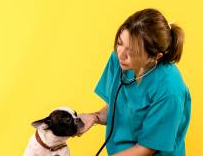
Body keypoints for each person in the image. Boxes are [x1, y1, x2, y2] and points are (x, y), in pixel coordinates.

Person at [77, 8, 191, 156]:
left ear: (156, 56)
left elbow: (147, 148)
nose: (121, 54)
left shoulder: (170, 90)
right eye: (119, 43)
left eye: (132, 52)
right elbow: (120, 109)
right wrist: (94, 117)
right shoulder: (119, 59)